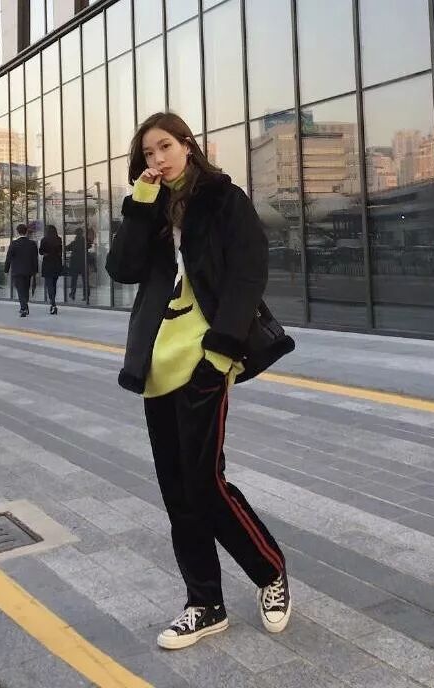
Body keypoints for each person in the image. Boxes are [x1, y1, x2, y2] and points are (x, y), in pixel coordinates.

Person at [106, 112, 295, 650]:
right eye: (148, 153)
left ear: (188, 146)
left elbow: (247, 274)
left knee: (205, 482)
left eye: (165, 146)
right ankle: (205, 603)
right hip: (157, 364)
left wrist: (221, 353)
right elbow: (122, 269)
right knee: (176, 490)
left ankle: (269, 569)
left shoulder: (224, 199)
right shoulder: (150, 207)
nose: (157, 159)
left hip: (205, 358)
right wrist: (140, 205)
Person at [5, 224, 38, 317]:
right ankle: (25, 306)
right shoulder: (32, 244)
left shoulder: (14, 243)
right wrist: (35, 271)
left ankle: (23, 308)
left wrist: (6, 270)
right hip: (28, 271)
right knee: (26, 289)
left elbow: (8, 258)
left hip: (17, 271)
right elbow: (35, 258)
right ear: (26, 232)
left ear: (17, 232)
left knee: (20, 290)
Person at [39, 225, 63, 315]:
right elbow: (60, 251)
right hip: (56, 263)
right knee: (53, 284)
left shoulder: (44, 240)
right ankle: (53, 302)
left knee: (49, 285)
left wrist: (46, 253)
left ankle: (53, 304)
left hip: (48, 264)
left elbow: (41, 251)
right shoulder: (58, 239)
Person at [65, 229, 89, 301]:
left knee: (74, 279)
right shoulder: (85, 242)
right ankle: (86, 295)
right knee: (85, 280)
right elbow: (89, 246)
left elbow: (66, 248)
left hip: (75, 263)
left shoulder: (74, 243)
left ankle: (72, 293)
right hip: (83, 263)